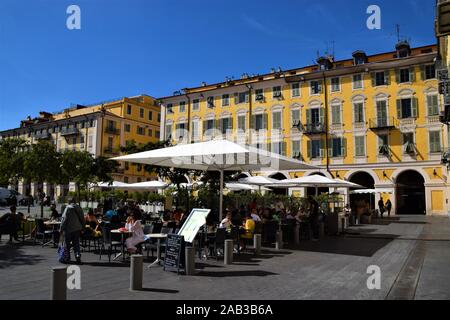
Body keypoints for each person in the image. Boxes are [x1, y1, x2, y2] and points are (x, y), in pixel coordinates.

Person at [60, 198, 84, 264]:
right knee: (76, 244)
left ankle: (68, 258)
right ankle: (78, 257)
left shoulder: (68, 208)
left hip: (69, 229)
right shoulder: (79, 207)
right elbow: (82, 218)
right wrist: (83, 227)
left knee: (67, 244)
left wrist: (61, 228)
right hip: (77, 229)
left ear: (69, 201)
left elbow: (64, 219)